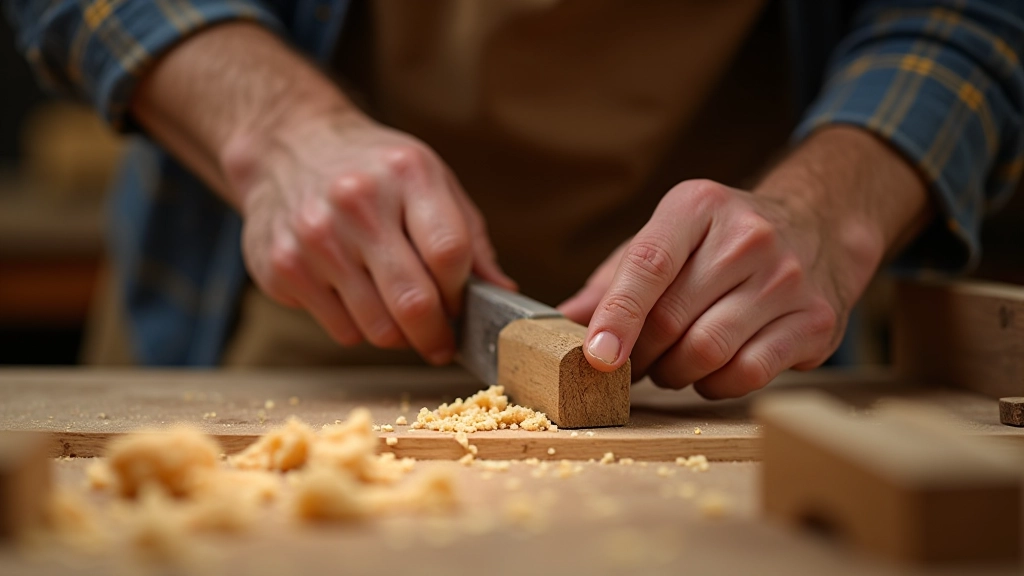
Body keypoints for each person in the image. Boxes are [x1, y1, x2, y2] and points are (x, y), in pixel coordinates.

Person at [6, 1, 1022, 399]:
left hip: (727, 356)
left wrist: (832, 205)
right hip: (256, 339)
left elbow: (975, 17)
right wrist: (276, 130)